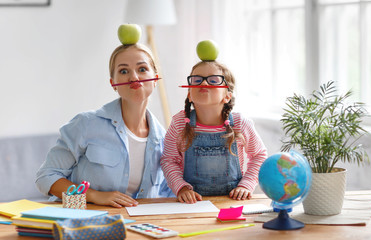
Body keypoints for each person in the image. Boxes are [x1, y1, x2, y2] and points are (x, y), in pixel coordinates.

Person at [36, 30, 174, 208]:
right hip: (82, 220)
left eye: (142, 69)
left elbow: (165, 193)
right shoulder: (86, 124)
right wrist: (93, 196)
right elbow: (46, 177)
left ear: (155, 78)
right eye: (124, 71)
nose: (134, 77)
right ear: (113, 83)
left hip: (136, 226)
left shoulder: (164, 139)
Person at [160, 47, 268, 204]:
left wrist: (246, 185)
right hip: (192, 205)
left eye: (213, 80)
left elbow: (259, 155)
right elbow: (168, 160)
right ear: (189, 94)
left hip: (232, 202)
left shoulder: (240, 123)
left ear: (227, 96)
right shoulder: (179, 123)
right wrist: (181, 188)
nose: (204, 82)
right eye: (197, 79)